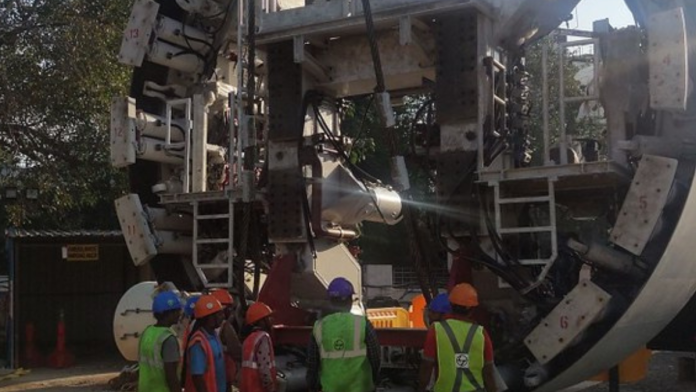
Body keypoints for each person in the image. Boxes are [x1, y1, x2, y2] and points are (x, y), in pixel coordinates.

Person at [307, 277, 381, 392]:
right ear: (350, 301)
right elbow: (375, 356)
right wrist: (374, 379)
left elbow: (312, 364)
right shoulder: (362, 323)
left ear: (330, 300)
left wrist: (312, 386)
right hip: (361, 388)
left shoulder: (319, 327)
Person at [418, 283, 495, 392]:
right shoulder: (481, 333)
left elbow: (427, 367)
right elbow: (488, 372)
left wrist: (420, 389)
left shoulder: (436, 330)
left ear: (451, 305)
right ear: (472, 310)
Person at [138, 290, 183, 392]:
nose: (180, 314)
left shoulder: (147, 332)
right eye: (177, 310)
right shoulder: (168, 338)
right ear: (169, 313)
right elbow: (171, 376)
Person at [184, 294, 227, 392]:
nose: (223, 317)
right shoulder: (198, 342)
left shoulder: (213, 336)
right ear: (210, 318)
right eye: (219, 314)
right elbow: (197, 377)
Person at [241, 302, 277, 392]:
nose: (271, 320)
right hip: (258, 387)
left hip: (248, 386)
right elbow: (264, 366)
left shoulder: (249, 339)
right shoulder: (263, 337)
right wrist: (270, 387)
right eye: (268, 318)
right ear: (261, 321)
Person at [211, 289, 243, 389]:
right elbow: (237, 351)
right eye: (229, 309)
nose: (231, 312)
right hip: (223, 373)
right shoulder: (225, 326)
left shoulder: (197, 325)